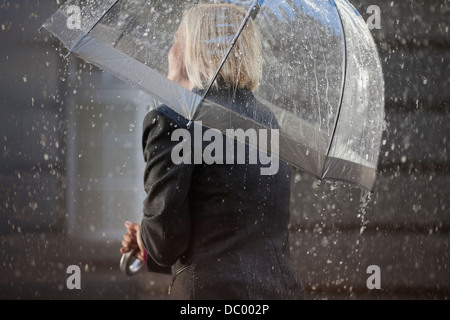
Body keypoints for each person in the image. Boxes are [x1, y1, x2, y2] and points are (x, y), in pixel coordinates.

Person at [120, 3, 304, 300]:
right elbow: (235, 225)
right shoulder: (268, 122)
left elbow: (165, 243)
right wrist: (150, 237)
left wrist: (145, 235)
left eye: (176, 41)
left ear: (193, 51)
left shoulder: (174, 120)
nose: (170, 51)